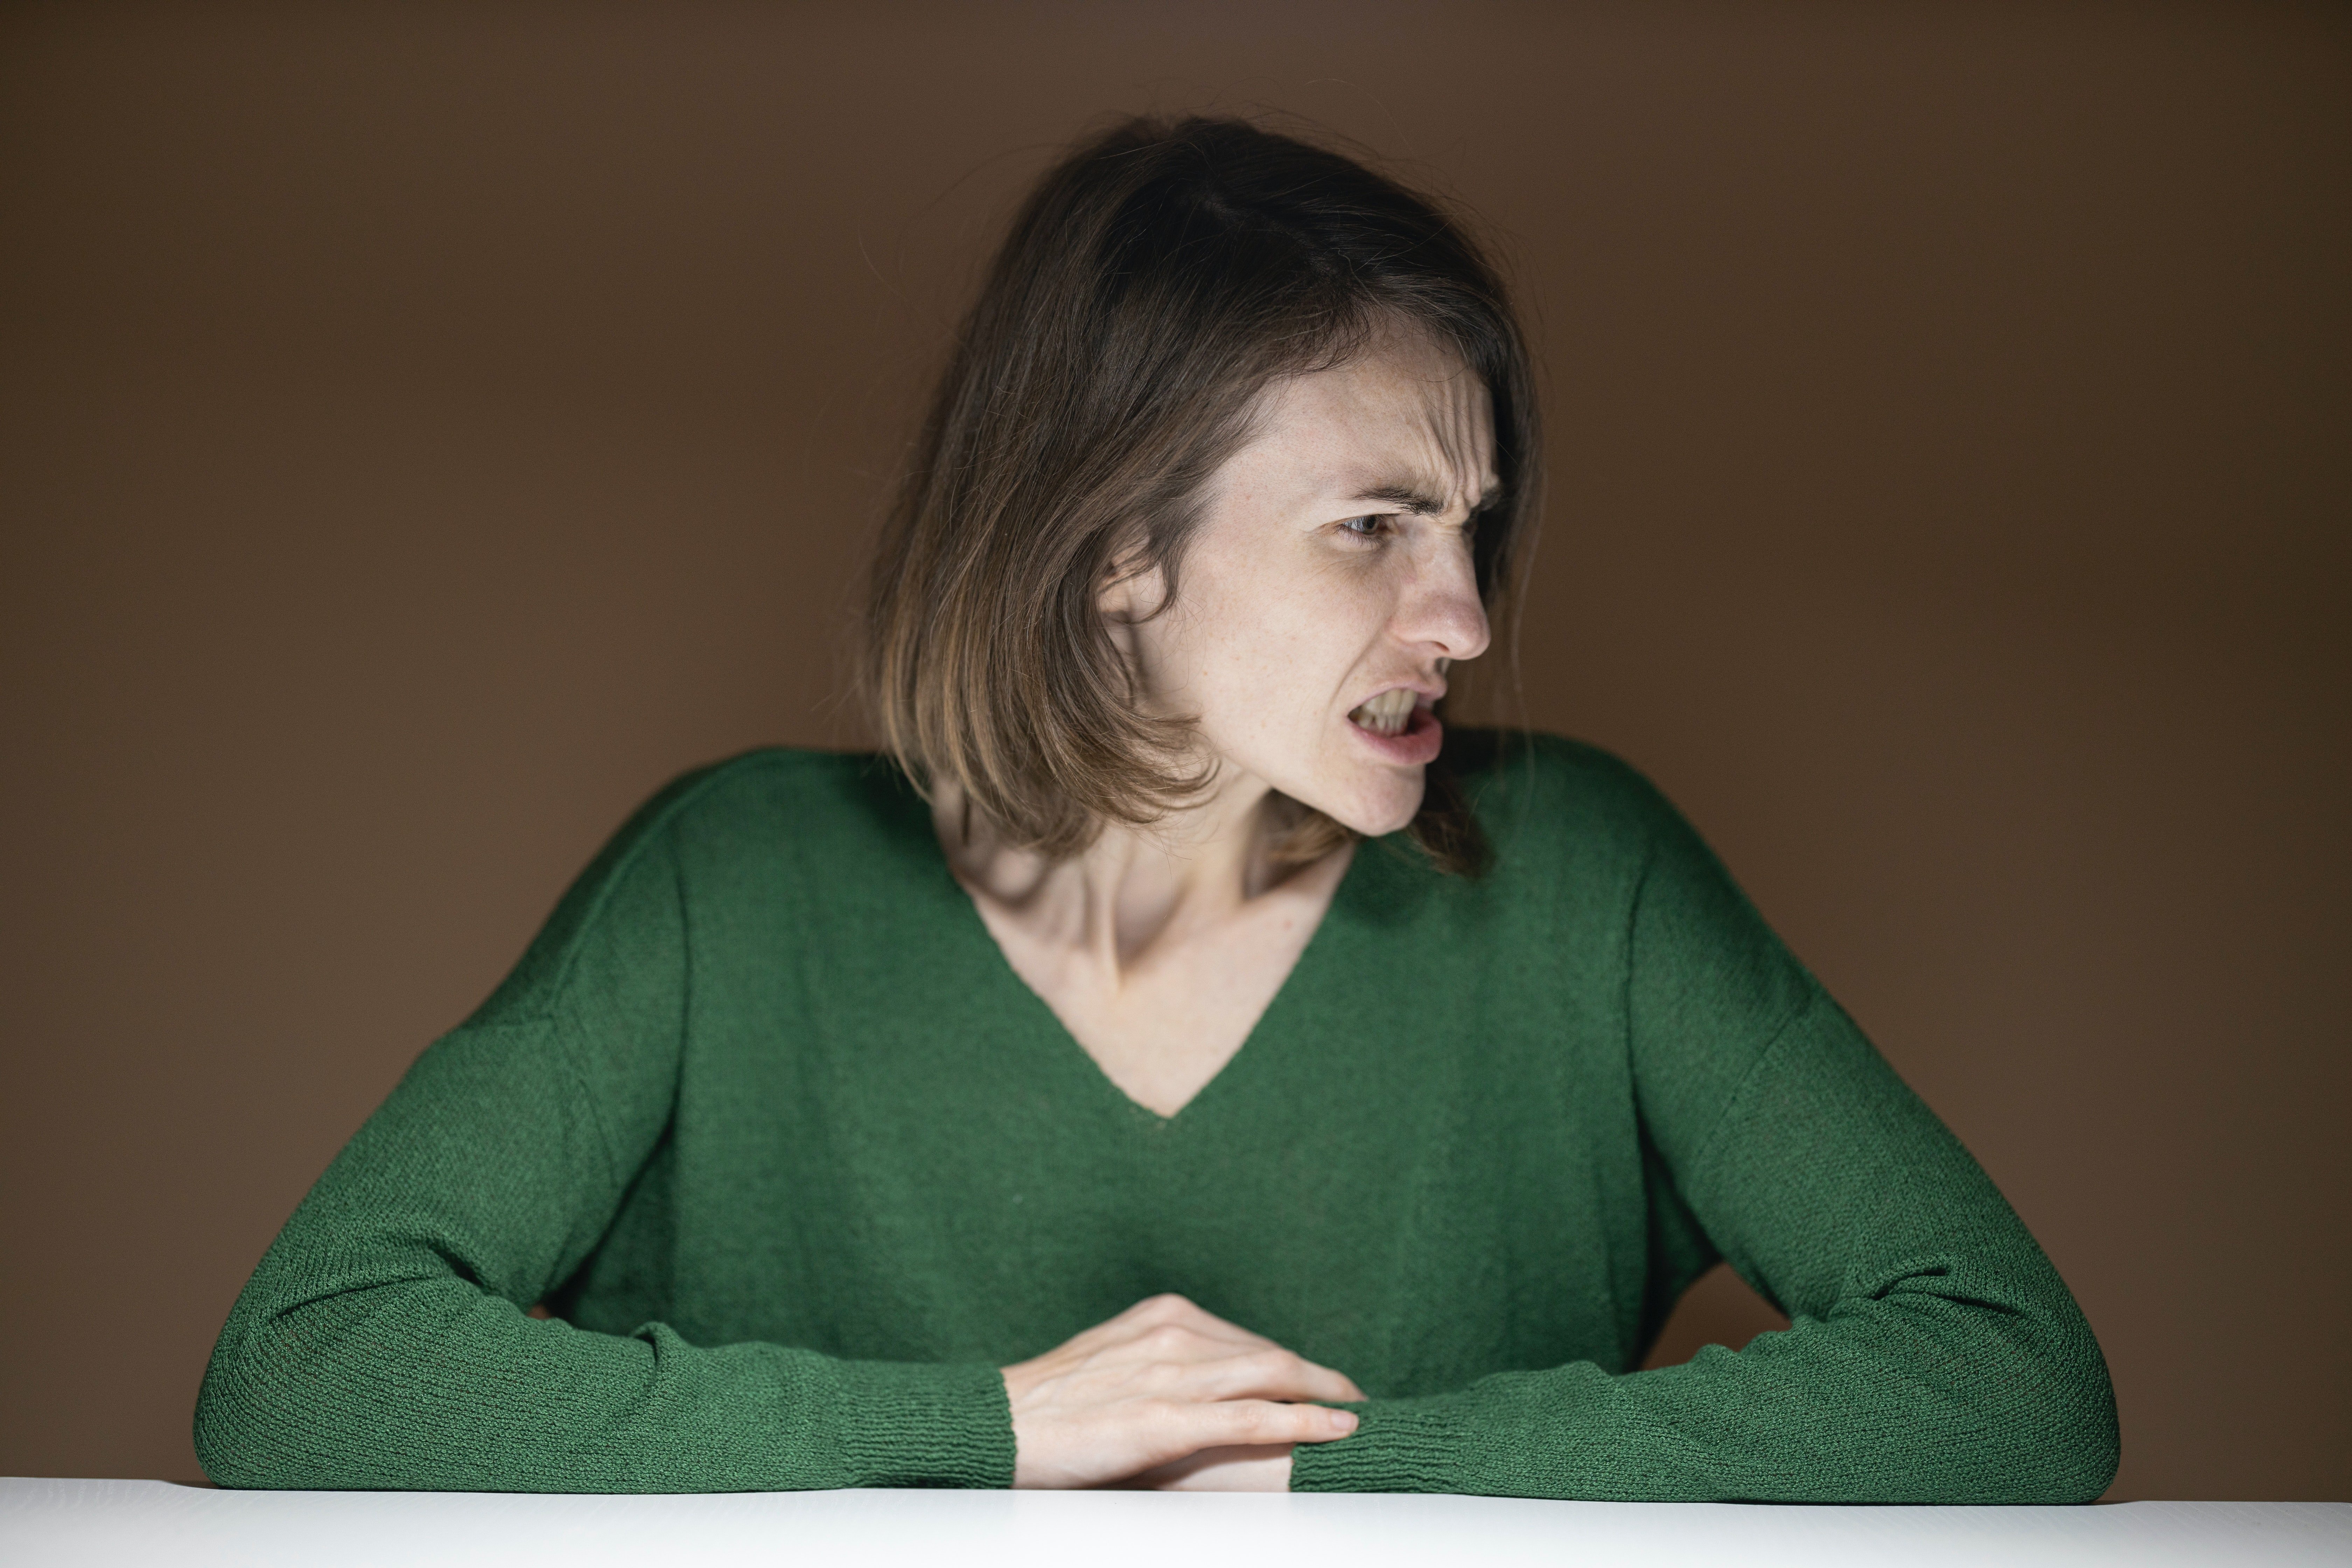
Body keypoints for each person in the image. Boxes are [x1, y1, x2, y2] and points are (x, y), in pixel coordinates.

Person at [194, 115, 2119, 1500]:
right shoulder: (732, 885)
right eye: (1373, 527)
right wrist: (987, 1432)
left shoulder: (1589, 876)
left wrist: (1348, 1464)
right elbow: (304, 1371)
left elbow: (2014, 1383)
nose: (1460, 617)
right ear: (1118, 550)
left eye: (1472, 528)